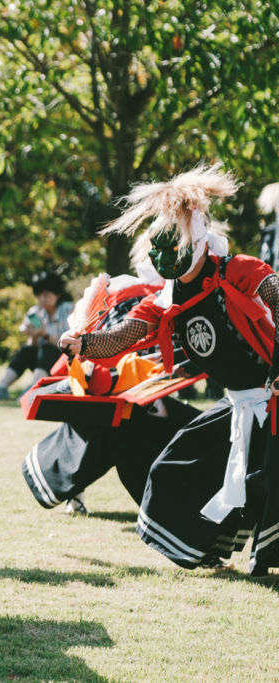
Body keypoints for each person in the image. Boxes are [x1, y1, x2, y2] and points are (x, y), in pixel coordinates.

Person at [60, 165, 279, 575]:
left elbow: (276, 293)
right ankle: (208, 550)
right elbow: (123, 337)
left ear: (195, 243)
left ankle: (262, 560)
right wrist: (84, 344)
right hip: (238, 405)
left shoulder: (235, 269)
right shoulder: (165, 299)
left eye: (171, 247)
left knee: (270, 480)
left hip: (275, 398)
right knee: (169, 471)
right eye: (156, 250)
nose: (163, 258)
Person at [22, 245, 199, 515]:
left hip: (134, 390)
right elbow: (105, 341)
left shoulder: (169, 294)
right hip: (103, 382)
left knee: (132, 431)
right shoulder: (138, 294)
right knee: (108, 429)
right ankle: (162, 508)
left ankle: (166, 506)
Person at [0, 272, 75, 401]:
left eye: (46, 295)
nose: (42, 300)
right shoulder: (36, 312)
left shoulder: (69, 310)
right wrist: (34, 335)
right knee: (26, 350)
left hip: (63, 362)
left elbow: (70, 346)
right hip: (43, 362)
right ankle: (1, 387)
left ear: (58, 294)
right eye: (39, 296)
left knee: (47, 348)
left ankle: (34, 388)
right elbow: (32, 346)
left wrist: (45, 335)